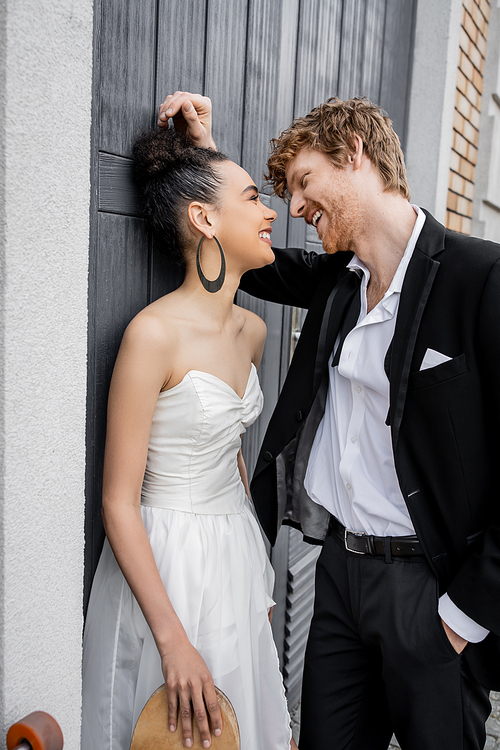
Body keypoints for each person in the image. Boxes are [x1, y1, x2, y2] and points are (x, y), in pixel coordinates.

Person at [159, 91, 500, 749]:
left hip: (429, 594)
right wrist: (199, 154)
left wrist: (463, 615)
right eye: (283, 192)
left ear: (355, 155)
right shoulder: (340, 280)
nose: (293, 207)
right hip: (339, 579)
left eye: (303, 182)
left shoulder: (479, 277)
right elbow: (249, 253)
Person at [81, 125, 296, 750]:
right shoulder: (153, 336)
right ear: (203, 218)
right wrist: (173, 639)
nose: (271, 210)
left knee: (235, 729)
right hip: (165, 560)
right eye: (255, 198)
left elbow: (230, 455)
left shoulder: (251, 332)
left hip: (234, 556)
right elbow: (119, 501)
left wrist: (255, 570)